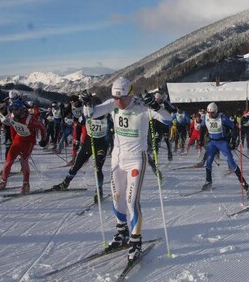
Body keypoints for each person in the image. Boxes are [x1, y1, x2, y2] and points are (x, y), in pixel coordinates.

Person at [84, 77, 172, 264]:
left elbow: (167, 119)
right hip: (117, 157)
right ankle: (121, 233)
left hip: (135, 160)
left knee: (132, 202)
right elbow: (92, 114)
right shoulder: (113, 104)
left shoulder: (142, 107)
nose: (118, 103)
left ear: (130, 94)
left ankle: (135, 240)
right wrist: (87, 104)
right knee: (117, 198)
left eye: (122, 98)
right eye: (115, 98)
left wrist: (156, 107)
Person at [52, 95, 108, 203]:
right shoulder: (86, 115)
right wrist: (77, 140)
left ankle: (99, 190)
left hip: (101, 144)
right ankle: (66, 183)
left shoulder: (107, 115)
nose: (93, 111)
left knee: (97, 167)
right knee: (77, 164)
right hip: (89, 142)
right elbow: (77, 126)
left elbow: (112, 131)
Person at [0, 99, 47, 193]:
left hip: (28, 142)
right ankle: (3, 182)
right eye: (12, 108)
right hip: (18, 140)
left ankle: (26, 184)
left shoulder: (29, 118)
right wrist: (13, 142)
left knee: (24, 161)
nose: (13, 111)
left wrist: (44, 139)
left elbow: (42, 127)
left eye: (16, 109)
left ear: (21, 109)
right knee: (8, 161)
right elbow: (13, 129)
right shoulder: (12, 116)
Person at [199, 102, 249, 195]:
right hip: (212, 142)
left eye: (213, 113)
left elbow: (233, 127)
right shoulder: (205, 117)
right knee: (208, 161)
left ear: (216, 111)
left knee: (231, 162)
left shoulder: (222, 118)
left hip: (222, 142)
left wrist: (233, 141)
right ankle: (208, 181)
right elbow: (202, 128)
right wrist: (200, 140)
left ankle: (243, 182)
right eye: (209, 113)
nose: (210, 115)